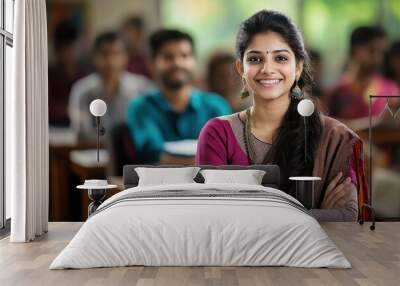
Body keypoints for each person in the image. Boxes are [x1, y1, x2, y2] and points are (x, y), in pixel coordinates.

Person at [196, 10, 369, 222]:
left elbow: (348, 216)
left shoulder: (335, 137)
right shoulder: (217, 134)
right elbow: (214, 215)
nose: (268, 69)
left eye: (280, 58)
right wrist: (317, 213)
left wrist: (249, 212)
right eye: (255, 58)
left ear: (298, 67)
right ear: (241, 68)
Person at [126, 29, 232, 164]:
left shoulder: (216, 106)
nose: (178, 63)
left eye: (185, 56)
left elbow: (226, 152)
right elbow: (153, 154)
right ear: (151, 63)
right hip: (160, 182)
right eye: (168, 57)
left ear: (194, 61)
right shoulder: (141, 108)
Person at [69, 31, 154, 140]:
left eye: (116, 54)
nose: (110, 62)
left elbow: (146, 131)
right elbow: (82, 133)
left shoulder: (143, 88)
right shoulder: (82, 90)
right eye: (104, 54)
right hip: (93, 153)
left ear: (126, 57)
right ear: (94, 57)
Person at [329, 26, 399, 123]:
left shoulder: (391, 90)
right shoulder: (339, 92)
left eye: (382, 52)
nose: (378, 58)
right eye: (372, 50)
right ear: (354, 50)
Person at [48, 20, 86, 126]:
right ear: (57, 50)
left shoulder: (84, 76)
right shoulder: (48, 76)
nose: (70, 53)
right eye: (66, 49)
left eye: (73, 47)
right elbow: (41, 108)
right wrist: (68, 110)